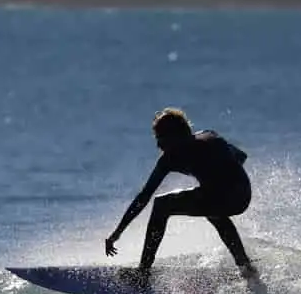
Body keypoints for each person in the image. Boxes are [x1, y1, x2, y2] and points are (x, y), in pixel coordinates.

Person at [105, 108, 257, 282]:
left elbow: (145, 196)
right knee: (212, 210)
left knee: (163, 204)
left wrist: (116, 234)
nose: (158, 145)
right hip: (242, 193)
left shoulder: (187, 150)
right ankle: (245, 266)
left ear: (175, 136)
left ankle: (143, 273)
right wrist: (117, 233)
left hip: (231, 195)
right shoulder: (204, 140)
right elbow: (241, 156)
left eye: (160, 138)